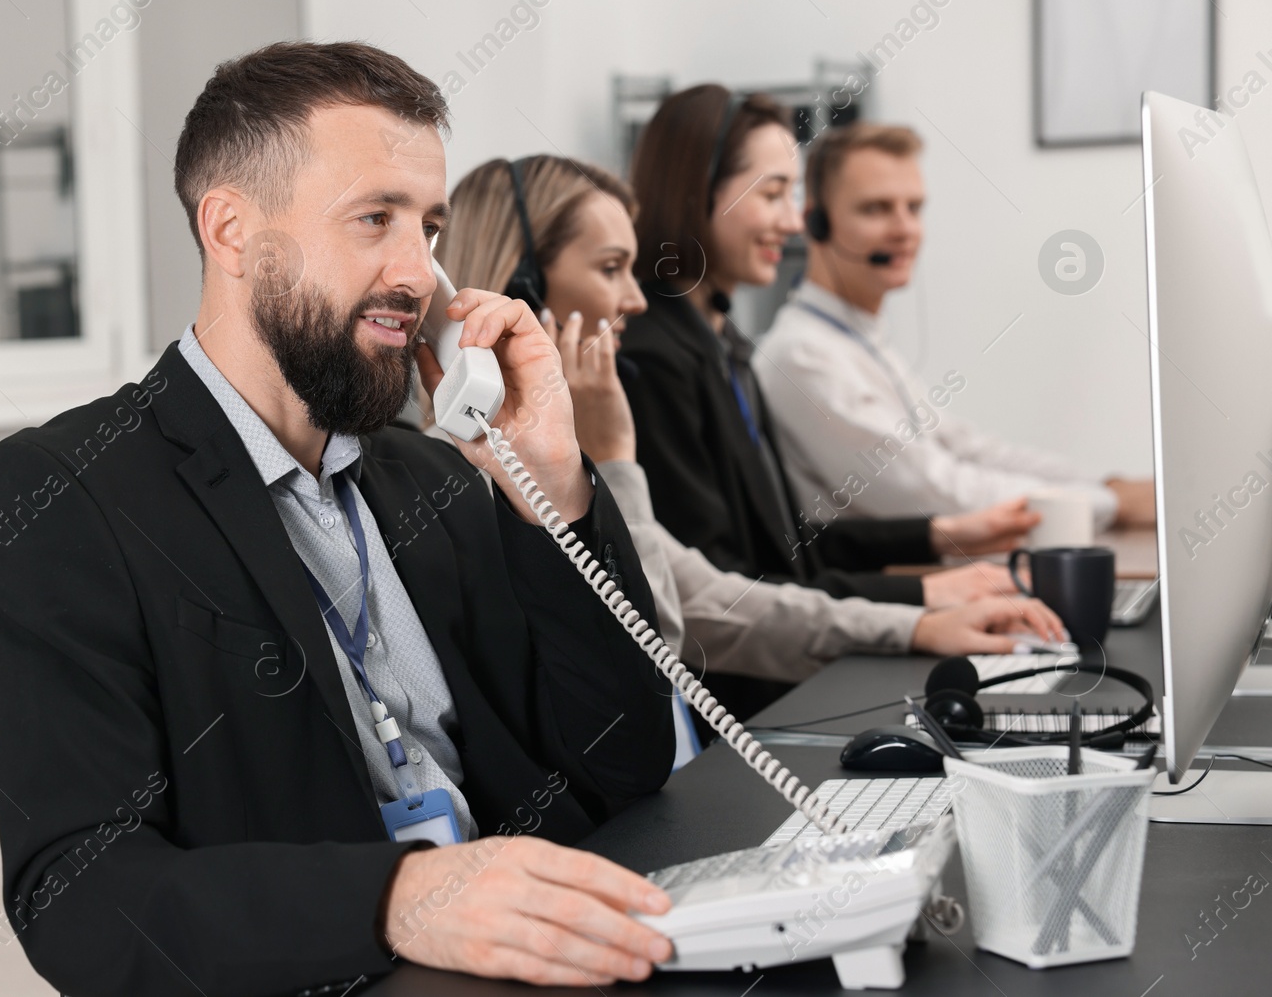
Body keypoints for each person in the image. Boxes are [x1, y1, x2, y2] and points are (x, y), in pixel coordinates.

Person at [0, 41, 679, 996]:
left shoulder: (438, 476)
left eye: (430, 228)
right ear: (232, 230)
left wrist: (555, 489)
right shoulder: (60, 494)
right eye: (375, 218)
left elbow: (622, 761)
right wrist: (404, 897)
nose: (418, 274)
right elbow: (82, 898)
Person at [433, 155, 1065, 689]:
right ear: (524, 285)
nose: (635, 299)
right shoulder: (449, 471)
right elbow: (660, 642)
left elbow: (706, 598)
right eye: (609, 268)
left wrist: (915, 627)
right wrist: (617, 457)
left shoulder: (585, 431)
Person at [620, 86, 1036, 611]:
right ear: (696, 190)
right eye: (772, 195)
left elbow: (783, 545)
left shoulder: (724, 346)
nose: (795, 223)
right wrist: (920, 595)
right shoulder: (655, 359)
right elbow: (725, 591)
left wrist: (937, 535)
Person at [755, 122, 1156, 527]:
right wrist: (1111, 505)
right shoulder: (803, 356)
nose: (905, 229)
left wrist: (1109, 484)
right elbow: (934, 491)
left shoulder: (861, 342)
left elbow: (966, 449)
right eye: (875, 208)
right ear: (815, 223)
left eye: (913, 208)